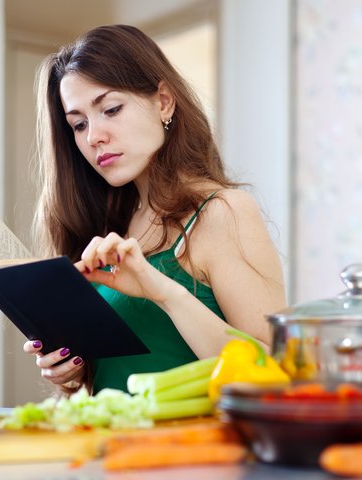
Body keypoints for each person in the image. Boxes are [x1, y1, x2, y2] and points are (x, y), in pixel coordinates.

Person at [23, 24, 286, 395]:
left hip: (195, 450)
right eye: (79, 124)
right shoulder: (108, 226)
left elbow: (271, 375)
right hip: (108, 446)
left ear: (163, 101)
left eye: (111, 109)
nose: (94, 136)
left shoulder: (223, 212)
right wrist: (71, 368)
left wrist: (163, 292)